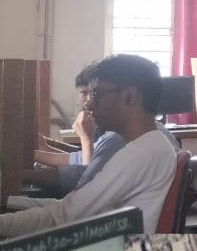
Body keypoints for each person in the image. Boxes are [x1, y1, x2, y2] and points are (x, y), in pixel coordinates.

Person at [0, 54, 179, 238]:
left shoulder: (138, 155)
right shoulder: (151, 145)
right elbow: (74, 206)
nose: (90, 104)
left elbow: (64, 216)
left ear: (129, 96)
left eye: (97, 94)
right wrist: (9, 201)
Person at [23, 61, 126, 198]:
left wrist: (86, 139)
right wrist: (42, 148)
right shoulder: (109, 135)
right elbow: (78, 159)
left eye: (95, 94)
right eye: (84, 93)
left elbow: (85, 180)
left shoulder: (116, 138)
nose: (89, 101)